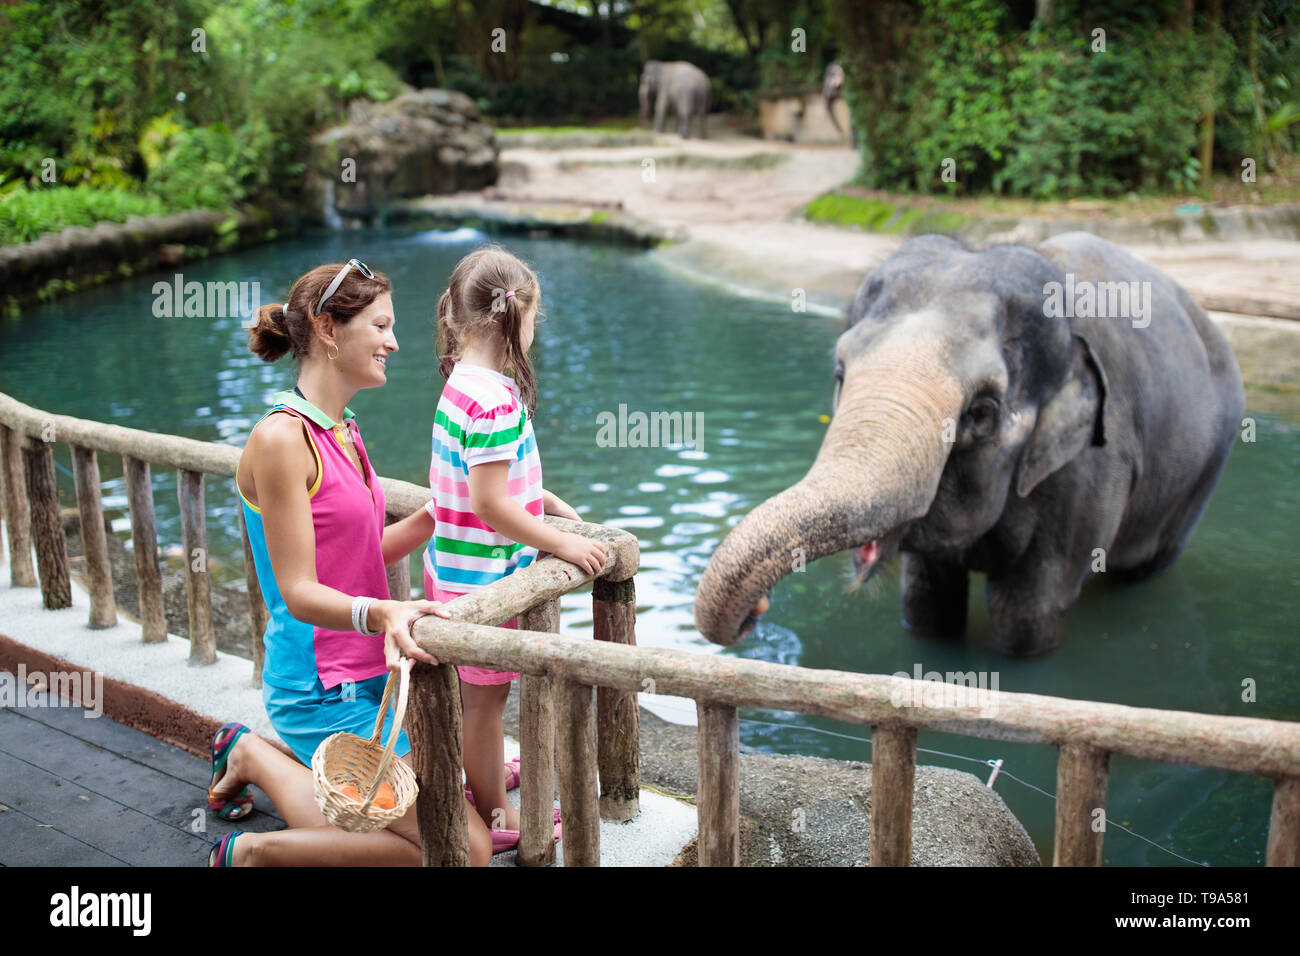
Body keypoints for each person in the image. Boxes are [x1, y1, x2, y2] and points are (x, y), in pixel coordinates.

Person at [208, 259, 500, 865]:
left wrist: (447, 512)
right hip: (320, 688)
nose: (394, 342)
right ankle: (253, 853)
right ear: (328, 330)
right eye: (381, 325)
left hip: (373, 675)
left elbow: (362, 554)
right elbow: (298, 591)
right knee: (463, 852)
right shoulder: (282, 440)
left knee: (399, 825)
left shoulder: (343, 428)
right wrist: (388, 610)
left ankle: (251, 756)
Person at [429, 245, 605, 851]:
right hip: (487, 580)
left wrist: (545, 499)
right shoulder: (498, 400)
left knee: (477, 700)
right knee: (485, 704)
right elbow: (490, 503)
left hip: (453, 568)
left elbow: (489, 482)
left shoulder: (461, 385)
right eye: (534, 320)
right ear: (516, 318)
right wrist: (562, 544)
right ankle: (497, 812)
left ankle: (481, 780)